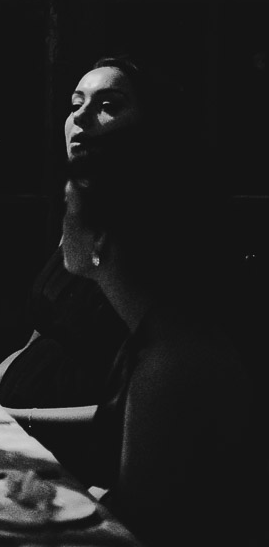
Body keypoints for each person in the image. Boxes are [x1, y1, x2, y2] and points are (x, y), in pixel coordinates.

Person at [61, 132, 251, 545]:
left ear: (100, 237)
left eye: (67, 210)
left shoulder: (171, 360)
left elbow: (140, 526)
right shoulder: (163, 325)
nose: (60, 231)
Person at [0, 57, 155, 466]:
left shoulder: (148, 239)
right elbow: (39, 340)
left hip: (74, 454)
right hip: (14, 429)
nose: (81, 116)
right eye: (76, 103)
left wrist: (9, 419)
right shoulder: (80, 213)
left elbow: (126, 410)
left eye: (108, 105)